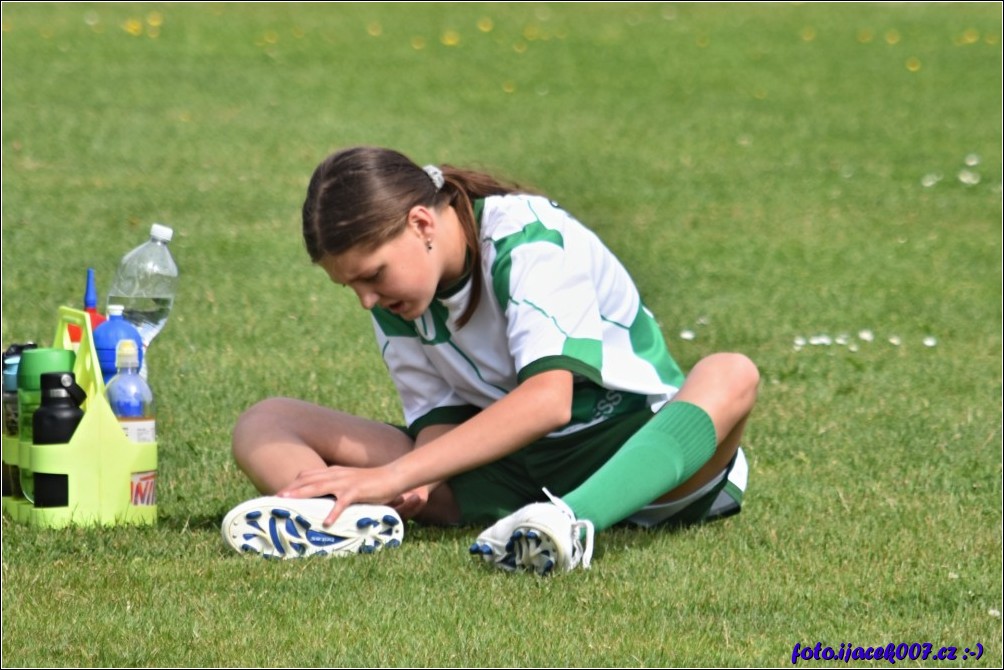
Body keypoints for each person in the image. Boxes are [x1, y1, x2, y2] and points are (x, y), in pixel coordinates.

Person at [221, 146, 759, 575]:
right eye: (351, 285)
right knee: (267, 422)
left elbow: (550, 401)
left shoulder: (530, 239)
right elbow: (440, 417)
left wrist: (392, 474)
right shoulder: (402, 293)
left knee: (731, 372)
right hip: (509, 474)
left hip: (638, 457)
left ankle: (571, 522)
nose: (365, 298)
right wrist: (415, 484)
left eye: (373, 274)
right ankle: (339, 521)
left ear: (421, 225)